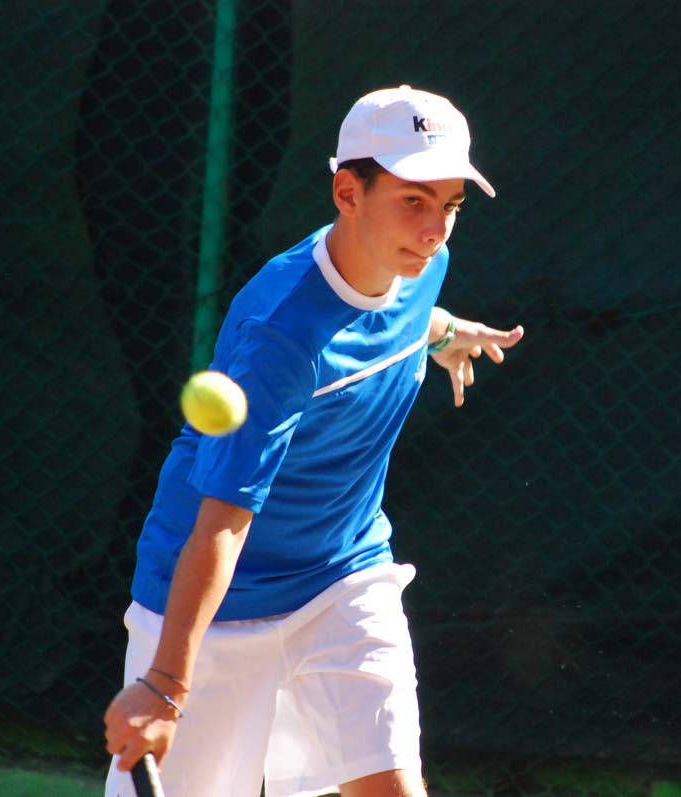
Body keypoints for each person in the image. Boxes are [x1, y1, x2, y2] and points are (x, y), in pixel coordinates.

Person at [102, 85, 524, 797]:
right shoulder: (281, 337)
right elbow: (222, 523)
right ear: (348, 192)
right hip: (218, 603)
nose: (434, 230)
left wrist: (446, 332)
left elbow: (397, 311)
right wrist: (165, 683)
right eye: (413, 201)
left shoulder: (420, 262)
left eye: (450, 205)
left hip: (342, 575)